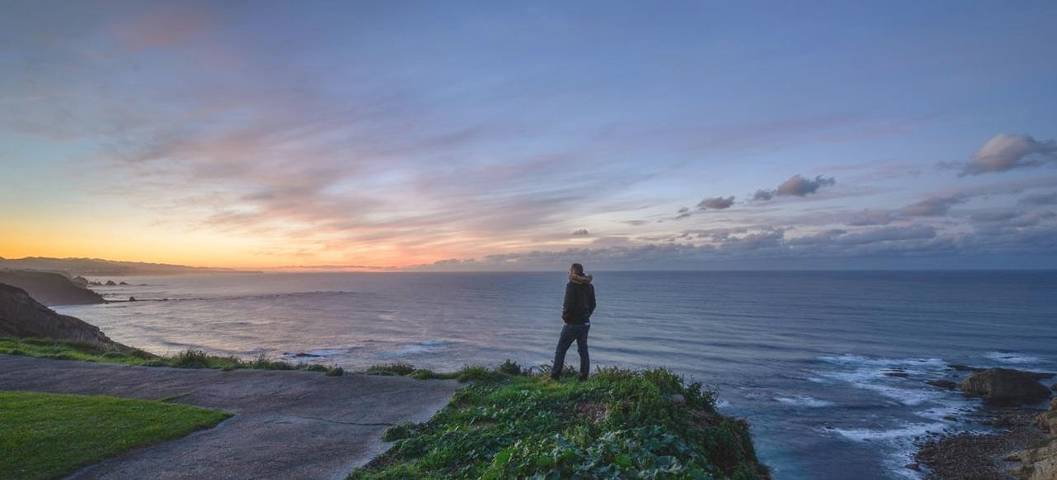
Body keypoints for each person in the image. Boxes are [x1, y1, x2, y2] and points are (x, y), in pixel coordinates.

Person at [551, 263, 596, 380]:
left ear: (573, 272)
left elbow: (568, 305)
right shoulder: (589, 286)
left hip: (572, 324)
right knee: (583, 350)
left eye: (570, 270)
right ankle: (583, 377)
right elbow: (593, 305)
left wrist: (566, 318)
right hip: (585, 323)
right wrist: (586, 316)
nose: (569, 273)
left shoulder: (571, 285)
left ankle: (555, 376)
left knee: (561, 349)